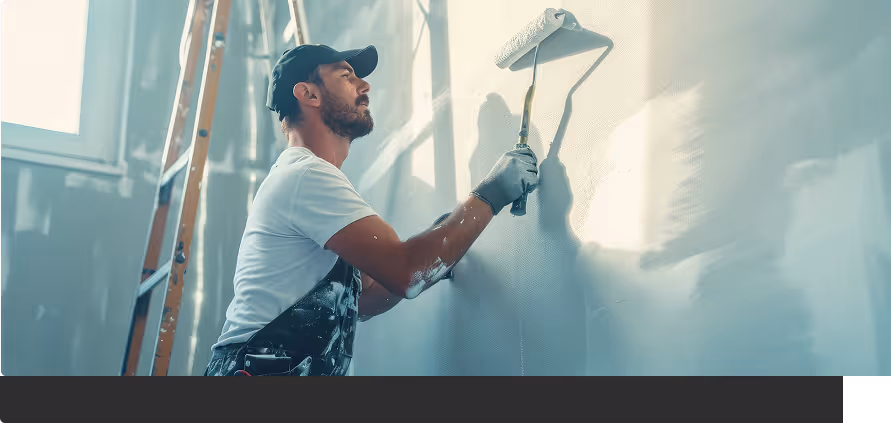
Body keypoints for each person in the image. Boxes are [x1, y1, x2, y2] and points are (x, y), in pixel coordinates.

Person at [204, 44, 538, 376]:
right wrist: (491, 194)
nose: (365, 86)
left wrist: (445, 246)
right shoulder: (305, 175)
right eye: (347, 76)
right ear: (309, 94)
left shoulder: (307, 181)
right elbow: (406, 272)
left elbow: (368, 297)